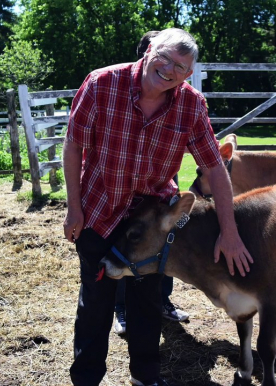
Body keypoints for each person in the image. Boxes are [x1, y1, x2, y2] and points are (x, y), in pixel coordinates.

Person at [62, 28, 253, 386]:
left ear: (189, 74)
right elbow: (73, 146)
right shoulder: (102, 84)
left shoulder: (191, 105)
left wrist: (230, 232)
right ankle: (86, 380)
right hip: (100, 211)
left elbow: (214, 167)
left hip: (152, 221)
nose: (169, 70)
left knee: (147, 303)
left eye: (181, 66)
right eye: (164, 58)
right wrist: (74, 208)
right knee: (97, 304)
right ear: (149, 50)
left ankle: (145, 377)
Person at [112, 30, 188, 336]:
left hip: (162, 185)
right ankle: (121, 309)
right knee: (125, 246)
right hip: (126, 192)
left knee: (166, 242)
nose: (168, 67)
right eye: (160, 56)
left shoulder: (177, 98)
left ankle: (163, 300)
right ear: (145, 55)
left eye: (175, 62)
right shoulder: (122, 91)